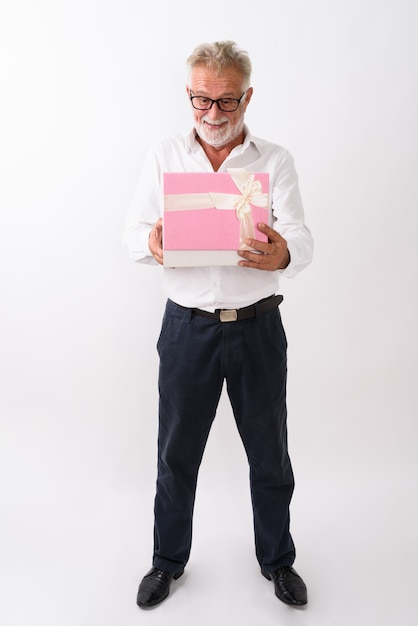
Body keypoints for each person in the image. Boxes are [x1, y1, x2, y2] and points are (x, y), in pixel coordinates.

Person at [124, 40, 313, 609]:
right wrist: (152, 241)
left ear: (247, 96)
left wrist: (281, 254)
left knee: (269, 453)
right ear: (188, 95)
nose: (212, 114)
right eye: (200, 100)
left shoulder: (273, 160)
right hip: (187, 329)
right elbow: (132, 233)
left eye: (227, 101)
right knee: (175, 454)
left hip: (257, 328)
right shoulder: (164, 154)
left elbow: (301, 238)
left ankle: (278, 560)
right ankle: (167, 562)